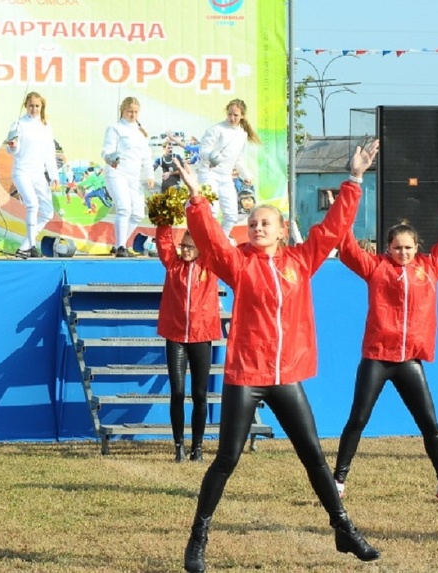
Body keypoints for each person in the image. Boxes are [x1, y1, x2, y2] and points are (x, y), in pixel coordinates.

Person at [176, 140, 382, 573]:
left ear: (282, 228)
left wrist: (355, 179)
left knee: (313, 454)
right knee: (226, 459)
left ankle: (344, 529)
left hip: (286, 374)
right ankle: (197, 539)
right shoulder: (239, 265)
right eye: (252, 223)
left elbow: (331, 230)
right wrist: (197, 198)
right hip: (246, 375)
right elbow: (211, 241)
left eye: (265, 222)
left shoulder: (300, 260)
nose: (257, 227)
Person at [331, 180, 438, 506]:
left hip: (410, 359)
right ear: (387, 248)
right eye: (397, 247)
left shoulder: (430, 267)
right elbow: (347, 248)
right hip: (377, 357)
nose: (403, 253)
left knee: (429, 423)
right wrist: (340, 210)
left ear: (417, 248)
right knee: (358, 419)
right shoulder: (375, 268)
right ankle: (337, 481)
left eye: (409, 248)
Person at [155, 230, 221, 463]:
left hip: (201, 336)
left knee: (200, 394)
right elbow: (163, 242)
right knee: (178, 392)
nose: (184, 250)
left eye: (190, 247)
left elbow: (215, 242)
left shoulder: (209, 265)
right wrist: (164, 217)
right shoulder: (173, 265)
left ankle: (198, 448)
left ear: (200, 249)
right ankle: (179, 446)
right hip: (175, 337)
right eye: (182, 245)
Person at [4, 92, 59, 258]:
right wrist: (12, 146)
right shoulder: (18, 124)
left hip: (38, 173)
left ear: (41, 107)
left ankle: (25, 246)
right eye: (31, 105)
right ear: (26, 106)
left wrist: (54, 175)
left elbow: (49, 152)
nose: (34, 109)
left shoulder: (46, 125)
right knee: (32, 205)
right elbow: (12, 149)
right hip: (22, 171)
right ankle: (32, 246)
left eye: (37, 106)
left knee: (47, 212)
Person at [198, 99, 261, 238]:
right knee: (212, 211)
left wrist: (246, 175)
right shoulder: (216, 130)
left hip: (225, 176)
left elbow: (238, 159)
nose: (232, 118)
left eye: (236, 115)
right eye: (230, 114)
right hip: (209, 173)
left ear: (242, 116)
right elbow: (203, 151)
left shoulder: (242, 134)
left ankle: (220, 241)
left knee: (231, 214)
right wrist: (211, 156)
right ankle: (206, 241)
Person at [101, 96, 155, 257]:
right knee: (124, 208)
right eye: (129, 111)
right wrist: (111, 158)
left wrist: (149, 175)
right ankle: (120, 247)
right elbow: (106, 150)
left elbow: (146, 156)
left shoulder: (140, 133)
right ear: (122, 111)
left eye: (135, 112)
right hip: (117, 173)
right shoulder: (115, 128)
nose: (132, 115)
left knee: (138, 213)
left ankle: (119, 243)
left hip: (134, 176)